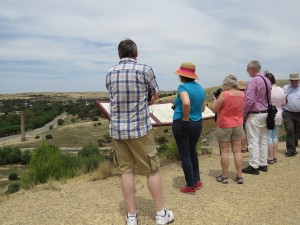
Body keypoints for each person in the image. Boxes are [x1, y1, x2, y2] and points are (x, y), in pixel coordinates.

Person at [106, 38, 174, 225]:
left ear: (119, 55)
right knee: (152, 170)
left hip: (118, 131)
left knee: (126, 171)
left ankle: (131, 216)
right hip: (140, 129)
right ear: (136, 54)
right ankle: (161, 214)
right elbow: (155, 92)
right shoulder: (145, 69)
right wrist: (149, 101)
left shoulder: (110, 72)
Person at [172, 62, 206, 194]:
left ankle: (190, 185)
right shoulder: (200, 89)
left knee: (185, 154)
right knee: (192, 151)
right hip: (197, 123)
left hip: (183, 123)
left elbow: (186, 102)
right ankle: (197, 181)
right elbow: (202, 108)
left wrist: (185, 118)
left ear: (182, 75)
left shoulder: (182, 87)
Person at [211, 75, 245, 184]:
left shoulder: (224, 94)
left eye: (224, 84)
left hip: (225, 124)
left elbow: (214, 109)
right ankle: (239, 176)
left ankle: (224, 176)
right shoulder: (242, 94)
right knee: (237, 151)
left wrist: (215, 100)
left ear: (227, 84)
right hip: (238, 124)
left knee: (224, 151)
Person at [242, 60, 272, 175]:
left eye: (248, 69)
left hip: (255, 114)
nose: (247, 71)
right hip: (266, 113)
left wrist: (244, 113)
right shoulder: (267, 80)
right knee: (263, 139)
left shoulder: (253, 81)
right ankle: (263, 164)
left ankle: (254, 166)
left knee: (253, 140)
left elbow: (249, 99)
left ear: (253, 69)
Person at [264, 72, 286, 163]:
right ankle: (274, 156)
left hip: (269, 114)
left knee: (268, 136)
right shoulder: (281, 90)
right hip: (279, 113)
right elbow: (283, 103)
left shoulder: (267, 90)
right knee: (275, 136)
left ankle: (270, 157)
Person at [282, 73, 300, 157]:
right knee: (290, 130)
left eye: (296, 80)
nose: (294, 82)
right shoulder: (285, 88)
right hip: (287, 113)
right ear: (290, 80)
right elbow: (281, 98)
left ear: (298, 80)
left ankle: (294, 146)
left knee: (296, 131)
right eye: (292, 80)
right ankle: (290, 149)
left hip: (298, 114)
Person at [237, 81, 248, 153]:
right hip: (249, 113)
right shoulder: (247, 93)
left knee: (242, 131)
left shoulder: (239, 94)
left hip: (241, 114)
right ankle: (249, 146)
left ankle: (244, 147)